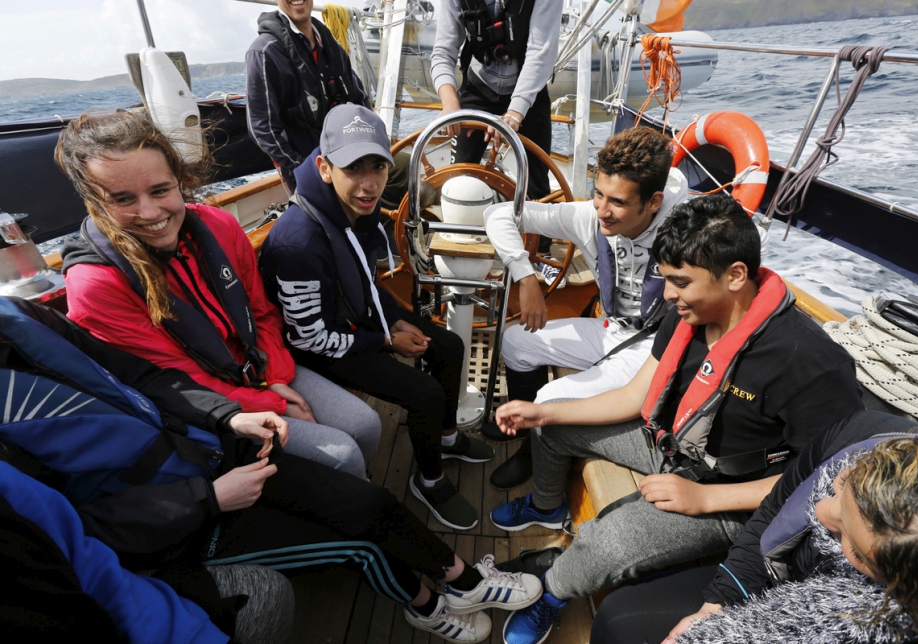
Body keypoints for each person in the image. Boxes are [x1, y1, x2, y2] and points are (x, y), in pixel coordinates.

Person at [0, 295, 543, 643]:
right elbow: (69, 534)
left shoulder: (22, 318)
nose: (152, 209)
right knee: (360, 543)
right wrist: (208, 500)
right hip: (177, 530)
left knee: (370, 503)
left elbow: (144, 377)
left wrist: (229, 417)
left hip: (210, 454)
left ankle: (465, 581)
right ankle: (426, 607)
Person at [488, 194, 866, 644]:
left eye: (680, 282)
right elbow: (634, 395)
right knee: (552, 426)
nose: (668, 294)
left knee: (611, 541)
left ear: (735, 276)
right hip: (673, 444)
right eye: (666, 279)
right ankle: (548, 508)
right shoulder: (688, 314)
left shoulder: (810, 362)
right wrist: (543, 411)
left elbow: (819, 480)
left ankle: (550, 594)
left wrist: (704, 500)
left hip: (735, 494)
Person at [58, 110, 381, 481]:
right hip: (203, 408)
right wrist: (271, 402)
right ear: (94, 202)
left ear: (179, 180)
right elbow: (174, 379)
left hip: (260, 369)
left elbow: (261, 312)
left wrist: (275, 375)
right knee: (341, 457)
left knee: (366, 424)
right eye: (123, 200)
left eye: (161, 190)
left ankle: (355, 493)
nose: (150, 213)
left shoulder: (219, 225)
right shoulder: (96, 286)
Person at [259, 103, 494, 531]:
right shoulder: (297, 245)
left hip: (354, 320)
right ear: (325, 168)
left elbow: (364, 280)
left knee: (448, 345)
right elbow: (310, 339)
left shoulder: (354, 211)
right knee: (422, 392)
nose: (369, 185)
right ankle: (429, 479)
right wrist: (386, 341)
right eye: (354, 170)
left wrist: (394, 318)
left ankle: (445, 436)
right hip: (317, 347)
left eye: (378, 168)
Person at [590, 411, 918, 644]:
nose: (820, 511)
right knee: (618, 613)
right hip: (772, 576)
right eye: (844, 484)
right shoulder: (862, 432)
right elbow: (776, 506)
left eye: (849, 544)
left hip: (805, 610)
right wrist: (716, 605)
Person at [481, 126, 689, 489]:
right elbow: (500, 215)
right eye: (598, 195)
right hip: (614, 330)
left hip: (657, 349)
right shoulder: (590, 218)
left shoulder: (687, 230)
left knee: (549, 397)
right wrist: (525, 276)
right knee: (515, 342)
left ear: (654, 201)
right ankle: (528, 441)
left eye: (618, 202)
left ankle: (541, 471)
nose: (603, 211)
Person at [0, 459, 295, 643]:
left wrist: (232, 412)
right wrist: (204, 498)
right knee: (270, 593)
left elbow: (81, 550)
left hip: (206, 465)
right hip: (170, 518)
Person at [431, 0, 564, 278]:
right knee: (459, 175)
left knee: (537, 179)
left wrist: (515, 113)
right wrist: (449, 104)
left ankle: (542, 252)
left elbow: (541, 50)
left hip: (528, 90)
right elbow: (443, 52)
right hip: (477, 86)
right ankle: (456, 244)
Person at [245, 0, 409, 212]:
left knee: (404, 165)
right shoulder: (264, 52)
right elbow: (262, 129)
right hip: (308, 164)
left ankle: (384, 233)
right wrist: (303, 169)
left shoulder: (330, 46)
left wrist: (375, 147)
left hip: (351, 155)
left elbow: (359, 100)